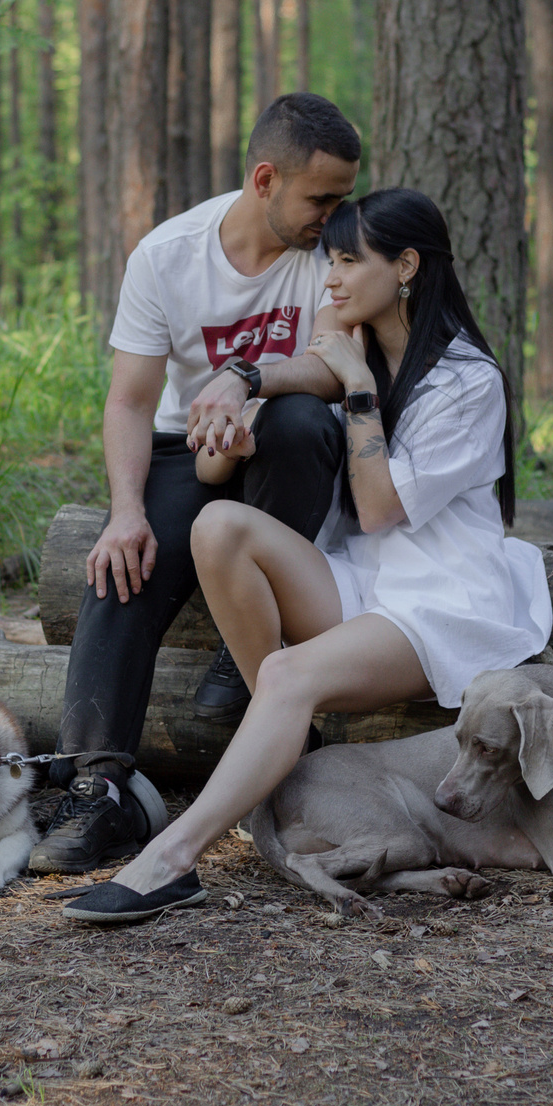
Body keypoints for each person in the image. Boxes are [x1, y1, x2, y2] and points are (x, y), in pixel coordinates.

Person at [60, 186, 552, 923]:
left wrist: (354, 390)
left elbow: (382, 505)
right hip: (364, 583)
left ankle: (170, 860)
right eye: (332, 260)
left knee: (287, 672)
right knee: (218, 525)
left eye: (350, 261)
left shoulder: (466, 381)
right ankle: (286, 737)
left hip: (444, 601)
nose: (332, 278)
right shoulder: (353, 355)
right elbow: (206, 478)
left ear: (408, 266)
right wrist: (234, 419)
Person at [27, 95, 364, 875]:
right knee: (122, 564)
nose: (335, 216)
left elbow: (332, 366)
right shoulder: (168, 255)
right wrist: (123, 512)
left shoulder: (333, 258)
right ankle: (97, 786)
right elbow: (132, 402)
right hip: (186, 449)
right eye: (322, 198)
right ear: (265, 178)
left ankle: (246, 646)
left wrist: (249, 376)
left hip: (285, 444)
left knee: (301, 421)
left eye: (344, 198)